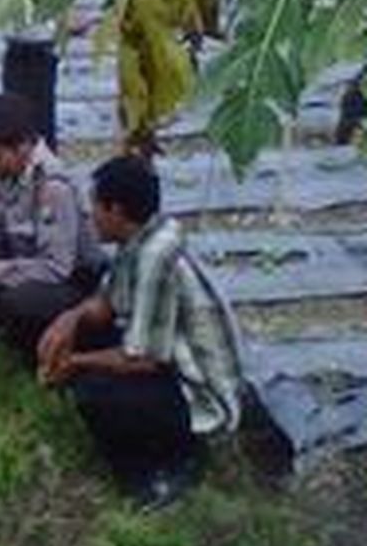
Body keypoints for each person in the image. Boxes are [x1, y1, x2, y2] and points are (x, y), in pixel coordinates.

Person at [37, 156, 243, 509]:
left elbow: (142, 359)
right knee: (84, 337)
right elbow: (105, 303)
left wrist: (75, 362)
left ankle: (167, 467)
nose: (89, 215)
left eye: (94, 207)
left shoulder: (155, 258)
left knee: (94, 391)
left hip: (197, 389)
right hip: (164, 359)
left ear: (116, 210)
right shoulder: (139, 237)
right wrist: (68, 320)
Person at [0, 93, 107, 363]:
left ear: (23, 146)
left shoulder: (53, 187)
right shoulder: (6, 174)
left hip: (71, 282)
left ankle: (33, 353)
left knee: (19, 299)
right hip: (27, 258)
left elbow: (55, 269)